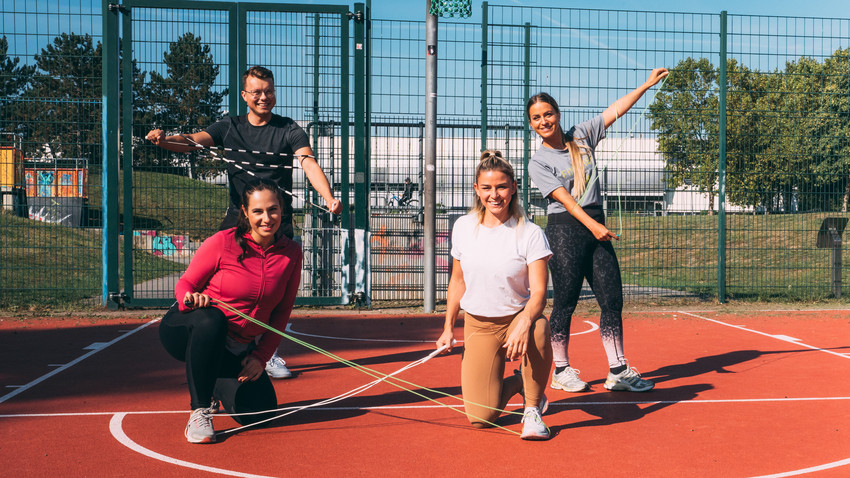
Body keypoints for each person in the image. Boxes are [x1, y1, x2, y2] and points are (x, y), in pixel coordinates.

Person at [147, 65, 341, 379]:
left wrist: (329, 197)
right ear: (245, 96)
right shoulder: (228, 127)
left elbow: (307, 161)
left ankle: (265, 351)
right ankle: (210, 337)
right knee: (221, 287)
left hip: (276, 223)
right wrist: (165, 141)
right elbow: (194, 141)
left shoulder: (289, 129)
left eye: (269, 91)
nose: (264, 97)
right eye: (257, 92)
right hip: (236, 223)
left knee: (272, 296)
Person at [525, 68, 668, 394]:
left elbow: (615, 110)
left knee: (611, 299)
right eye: (536, 118)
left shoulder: (582, 134)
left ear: (558, 115)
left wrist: (645, 85)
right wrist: (594, 227)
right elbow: (565, 201)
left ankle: (618, 370)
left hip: (595, 227)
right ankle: (561, 370)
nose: (544, 121)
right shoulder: (538, 162)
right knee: (565, 303)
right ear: (531, 124)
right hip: (565, 230)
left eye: (548, 114)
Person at [159, 179, 302, 443]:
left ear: (282, 210)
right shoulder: (222, 242)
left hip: (236, 347)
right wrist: (189, 300)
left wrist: (261, 356)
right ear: (245, 213)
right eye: (258, 211)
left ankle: (210, 380)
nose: (266, 218)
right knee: (211, 320)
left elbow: (282, 312)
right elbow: (185, 283)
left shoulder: (291, 252)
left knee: (262, 412)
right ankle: (199, 411)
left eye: (272, 210)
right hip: (189, 330)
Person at [436, 150, 554, 440]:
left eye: (501, 186)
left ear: (513, 187)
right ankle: (517, 384)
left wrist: (524, 322)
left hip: (516, 319)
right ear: (477, 189)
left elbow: (539, 292)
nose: (495, 195)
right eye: (487, 188)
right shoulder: (463, 227)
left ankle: (532, 409)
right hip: (479, 325)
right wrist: (448, 327)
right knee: (480, 418)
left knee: (539, 326)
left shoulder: (530, 232)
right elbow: (458, 280)